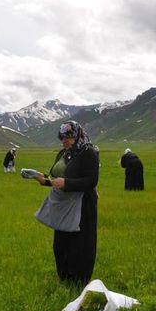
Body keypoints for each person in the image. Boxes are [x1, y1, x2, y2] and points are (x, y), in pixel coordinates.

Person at [27, 121, 99, 286]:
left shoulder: (88, 152)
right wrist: (41, 178)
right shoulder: (63, 153)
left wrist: (67, 184)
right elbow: (56, 180)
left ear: (77, 135)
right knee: (60, 243)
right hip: (63, 204)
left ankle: (79, 281)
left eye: (68, 137)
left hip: (82, 205)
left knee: (79, 243)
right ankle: (64, 277)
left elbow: (91, 180)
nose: (65, 141)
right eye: (62, 137)